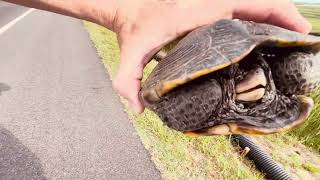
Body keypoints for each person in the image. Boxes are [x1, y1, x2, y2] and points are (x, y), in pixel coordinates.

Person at [5, 0, 311, 113]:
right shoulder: (216, 92)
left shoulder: (275, 85)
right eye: (246, 75)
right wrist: (126, 13)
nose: (255, 78)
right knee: (207, 92)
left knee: (299, 65)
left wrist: (126, 13)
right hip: (211, 75)